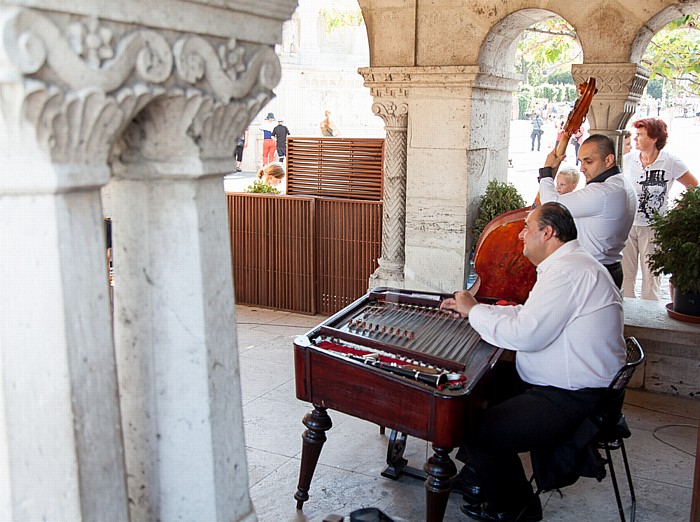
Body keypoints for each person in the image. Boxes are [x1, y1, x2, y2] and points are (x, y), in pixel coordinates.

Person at [441, 202, 626, 522]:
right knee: (474, 388)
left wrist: (475, 311)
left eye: (527, 228)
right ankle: (478, 479)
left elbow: (527, 334)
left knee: (477, 431)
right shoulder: (569, 265)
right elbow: (530, 317)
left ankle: (517, 510)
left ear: (548, 232)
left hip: (575, 396)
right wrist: (482, 312)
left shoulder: (569, 272)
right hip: (562, 381)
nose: (521, 236)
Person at [538, 134, 637, 289]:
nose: (582, 168)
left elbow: (551, 205)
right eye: (581, 161)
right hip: (608, 268)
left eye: (588, 161)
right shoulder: (621, 183)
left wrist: (546, 172)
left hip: (594, 273)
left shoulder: (605, 192)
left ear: (608, 160)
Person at [621, 118, 698, 300]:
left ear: (654, 138)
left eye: (640, 135)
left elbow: (694, 187)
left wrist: (676, 211)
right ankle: (628, 315)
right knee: (626, 274)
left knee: (651, 276)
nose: (635, 139)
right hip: (628, 224)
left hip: (655, 227)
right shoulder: (627, 160)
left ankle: (649, 317)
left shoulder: (670, 161)